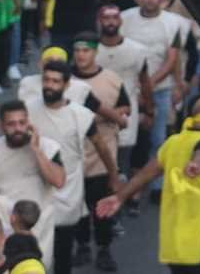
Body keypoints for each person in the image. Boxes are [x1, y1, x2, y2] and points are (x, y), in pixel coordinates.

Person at [96, 95, 200, 273]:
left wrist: (119, 197)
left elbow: (145, 174)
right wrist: (196, 163)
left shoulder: (173, 142)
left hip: (177, 245)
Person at [25, 60, 120, 274]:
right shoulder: (29, 110)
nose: (49, 85)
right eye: (46, 80)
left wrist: (113, 176)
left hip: (67, 192)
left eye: (55, 81)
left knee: (62, 253)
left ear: (66, 85)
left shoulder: (81, 115)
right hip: (36, 189)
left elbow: (101, 147)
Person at [121, 0, 189, 201]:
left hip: (159, 89)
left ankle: (158, 185)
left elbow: (172, 58)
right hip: (129, 90)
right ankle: (128, 185)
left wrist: (148, 83)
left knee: (158, 139)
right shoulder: (124, 18)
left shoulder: (175, 23)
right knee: (128, 138)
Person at [0, 100, 66, 271]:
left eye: (22, 122)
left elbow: (58, 181)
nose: (18, 128)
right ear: (2, 126)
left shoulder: (48, 147)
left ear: (29, 123)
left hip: (39, 228)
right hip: (3, 229)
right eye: (11, 124)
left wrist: (36, 150)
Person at [71, 38, 129, 271]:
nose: (80, 55)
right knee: (78, 205)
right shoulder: (68, 82)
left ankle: (104, 249)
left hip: (102, 152)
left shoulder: (112, 79)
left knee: (101, 206)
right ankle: (82, 245)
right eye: (76, 50)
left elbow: (125, 108)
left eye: (85, 50)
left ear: (95, 53)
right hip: (74, 154)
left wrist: (106, 116)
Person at [93, 5, 153, 206]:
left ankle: (124, 197)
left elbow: (145, 81)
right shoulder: (90, 50)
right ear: (99, 21)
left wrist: (150, 111)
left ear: (120, 21)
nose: (110, 22)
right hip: (97, 112)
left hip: (128, 111)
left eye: (114, 18)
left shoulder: (137, 50)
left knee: (124, 158)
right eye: (105, 18)